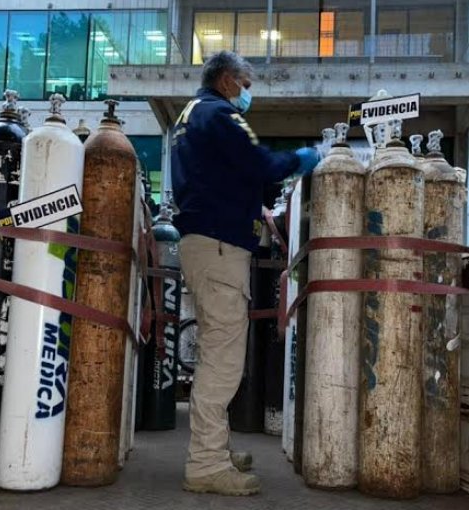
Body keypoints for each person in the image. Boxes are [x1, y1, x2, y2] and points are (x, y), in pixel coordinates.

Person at [170, 50, 320, 496]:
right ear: (229, 80)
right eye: (247, 84)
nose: (248, 94)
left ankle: (214, 447)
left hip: (204, 243)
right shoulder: (219, 114)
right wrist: (303, 158)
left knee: (218, 352)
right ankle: (206, 463)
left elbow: (235, 175)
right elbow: (258, 164)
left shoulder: (192, 114)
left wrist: (268, 182)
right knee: (223, 360)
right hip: (218, 246)